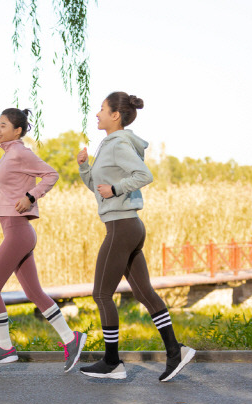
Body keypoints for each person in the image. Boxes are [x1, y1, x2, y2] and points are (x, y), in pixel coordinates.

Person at [76, 92, 195, 381]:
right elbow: (97, 187)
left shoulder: (117, 144)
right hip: (126, 225)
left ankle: (112, 362)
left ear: (115, 115)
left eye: (102, 109)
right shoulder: (109, 145)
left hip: (122, 227)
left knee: (102, 294)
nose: (97, 113)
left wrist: (116, 190)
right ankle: (175, 351)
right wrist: (84, 166)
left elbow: (144, 175)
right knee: (143, 293)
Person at [0, 108, 86, 372]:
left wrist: (32, 196)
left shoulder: (21, 152)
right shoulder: (9, 156)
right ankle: (72, 339)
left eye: (3, 125)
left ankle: (5, 348)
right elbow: (8, 194)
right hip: (15, 230)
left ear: (18, 131)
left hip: (18, 232)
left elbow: (51, 175)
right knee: (33, 292)